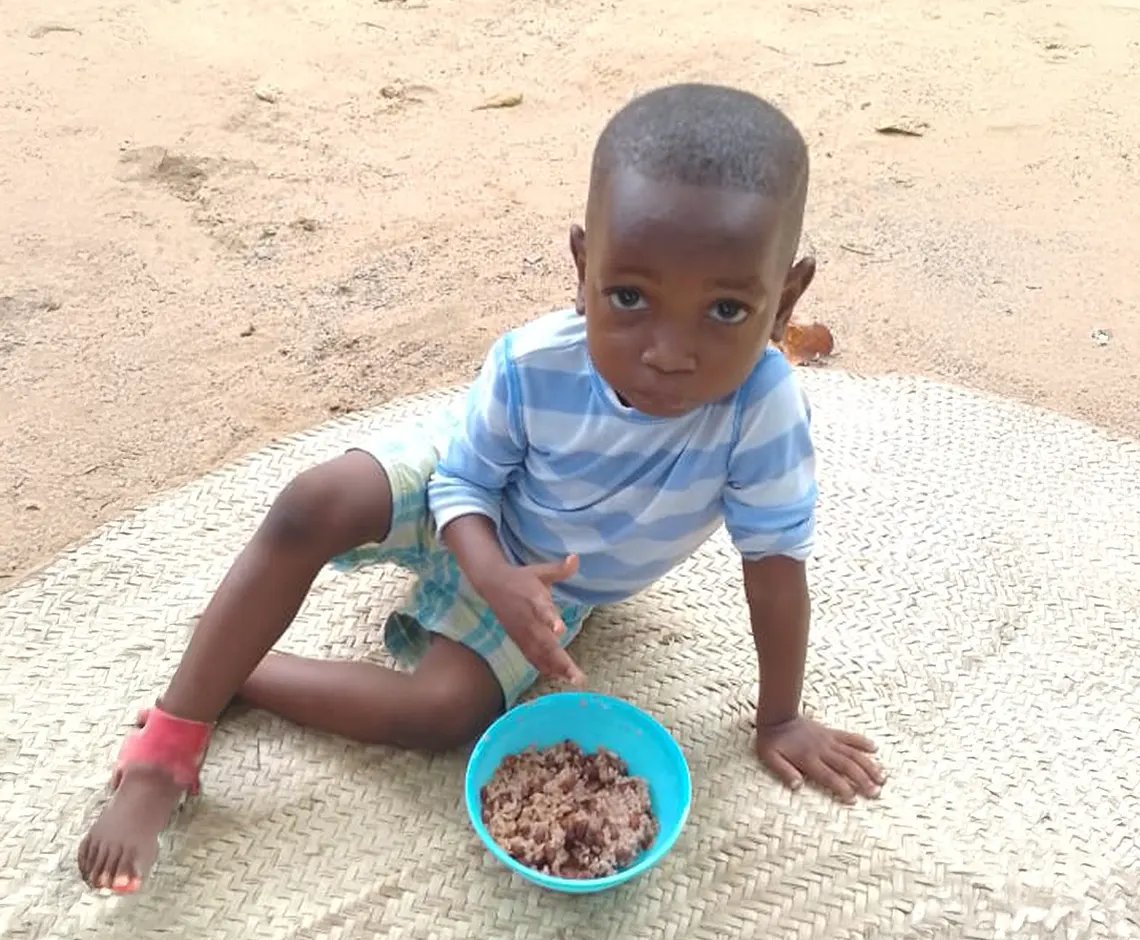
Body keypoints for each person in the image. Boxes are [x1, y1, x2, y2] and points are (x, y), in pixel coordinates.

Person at [78, 82, 886, 894]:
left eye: (726, 310)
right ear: (584, 269)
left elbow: (775, 568)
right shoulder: (534, 362)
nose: (669, 352)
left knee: (443, 714)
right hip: (470, 490)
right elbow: (463, 478)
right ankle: (166, 751)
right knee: (315, 500)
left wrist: (781, 716)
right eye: (629, 298)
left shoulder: (762, 411)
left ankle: (238, 666)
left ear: (785, 301)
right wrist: (490, 570)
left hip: (558, 582)